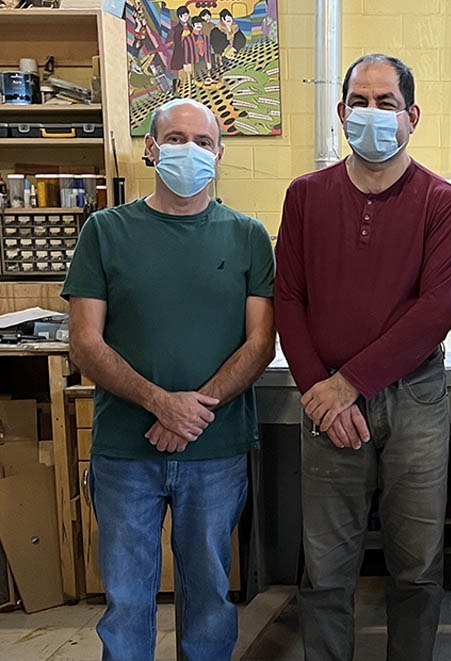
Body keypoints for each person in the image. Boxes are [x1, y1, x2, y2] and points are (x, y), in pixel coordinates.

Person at [62, 98, 276, 661]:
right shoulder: (105, 232)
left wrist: (191, 411)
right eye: (176, 139)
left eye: (203, 142)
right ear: (152, 149)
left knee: (209, 598)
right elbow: (85, 341)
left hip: (215, 450)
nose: (190, 151)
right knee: (127, 601)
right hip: (125, 452)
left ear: (220, 154)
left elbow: (260, 343)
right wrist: (161, 403)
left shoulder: (248, 236)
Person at [274, 53, 451, 661]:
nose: (372, 114)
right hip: (325, 398)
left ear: (413, 116)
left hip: (413, 399)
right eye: (360, 102)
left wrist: (347, 386)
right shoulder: (305, 196)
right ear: (341, 112)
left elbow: (435, 312)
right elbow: (289, 299)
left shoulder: (442, 202)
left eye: (387, 103)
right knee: (326, 568)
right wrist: (321, 391)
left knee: (417, 565)